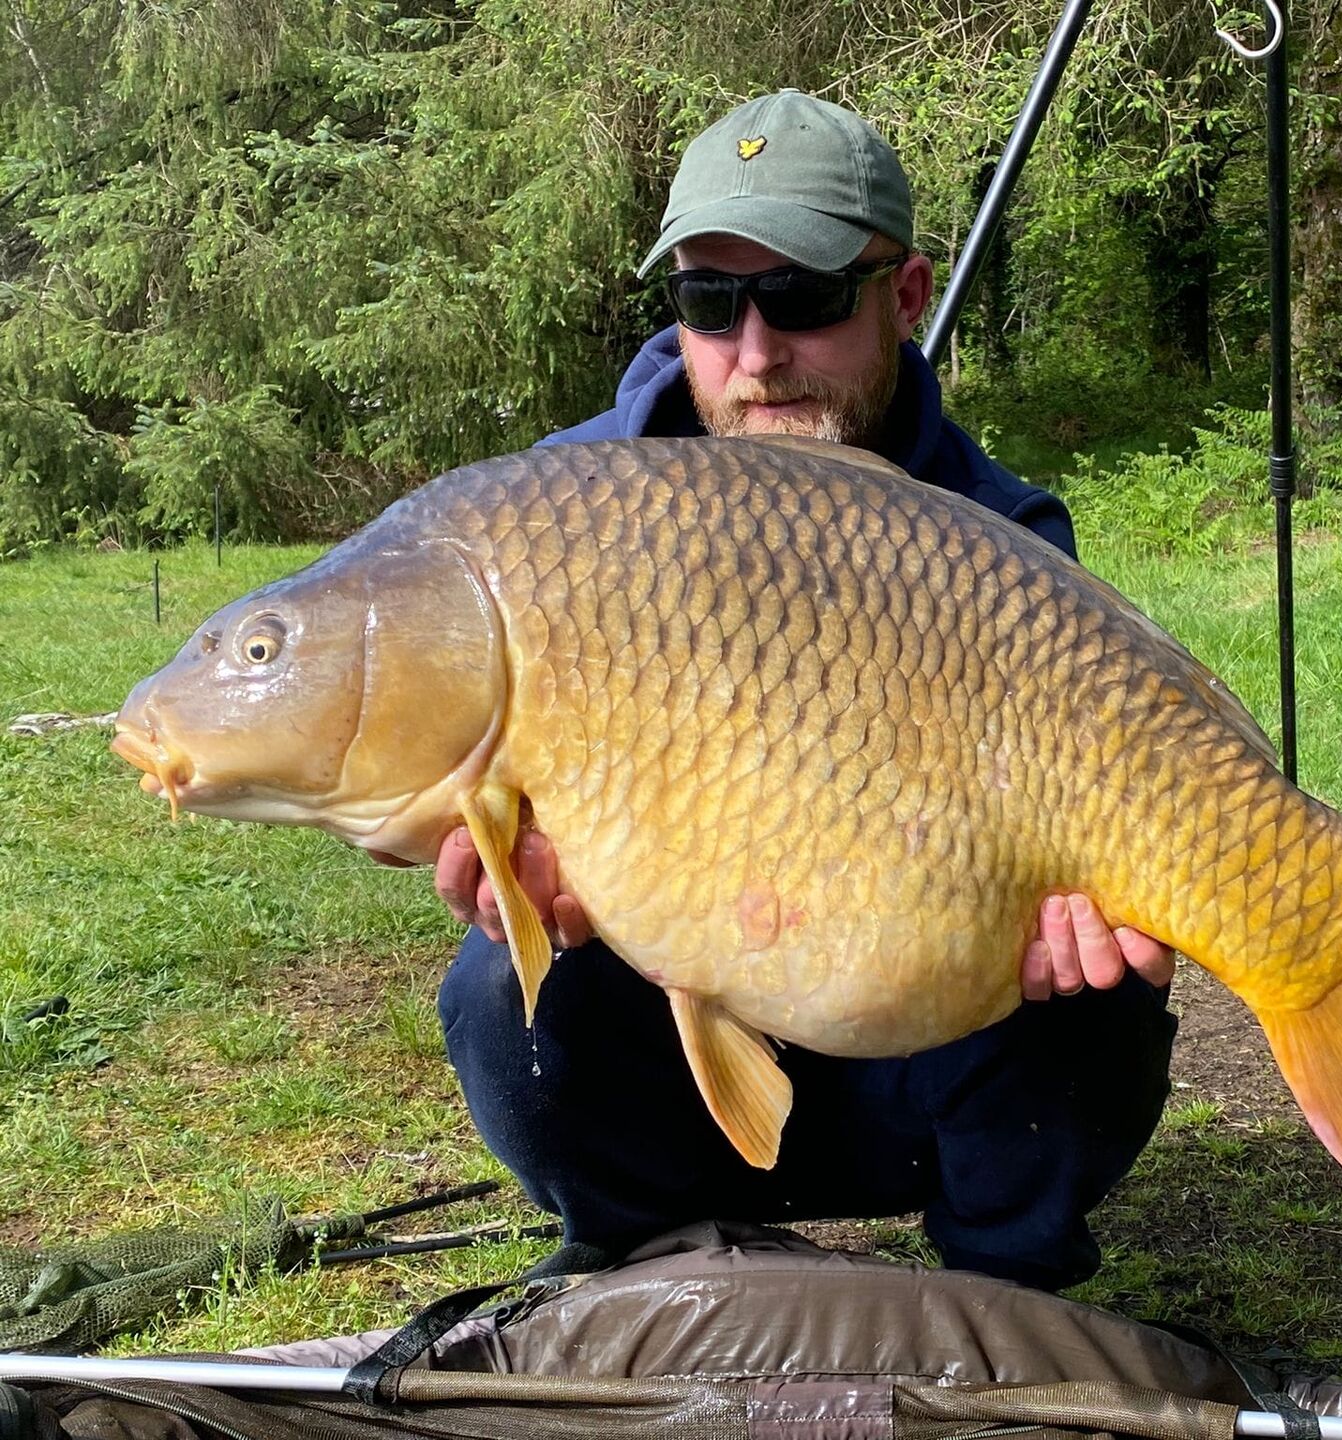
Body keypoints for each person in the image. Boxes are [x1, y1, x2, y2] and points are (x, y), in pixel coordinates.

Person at [417, 90, 1177, 1292]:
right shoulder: (560, 517)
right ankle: (644, 1253)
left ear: (906, 295)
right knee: (498, 987)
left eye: (807, 297)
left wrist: (1086, 907)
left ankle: (1005, 1285)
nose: (758, 353)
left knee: (1100, 993)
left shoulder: (999, 535)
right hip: (680, 1058)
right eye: (711, 304)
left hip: (910, 1062)